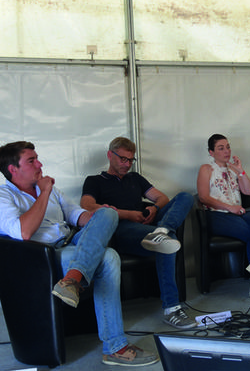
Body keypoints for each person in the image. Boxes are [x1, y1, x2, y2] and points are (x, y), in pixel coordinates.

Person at [0, 141, 158, 367]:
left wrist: (100, 217)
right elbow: (23, 232)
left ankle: (71, 280)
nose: (40, 164)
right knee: (110, 258)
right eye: (31, 160)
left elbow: (76, 215)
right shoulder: (0, 197)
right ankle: (115, 347)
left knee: (107, 214)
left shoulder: (51, 190)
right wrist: (44, 192)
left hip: (71, 242)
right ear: (12, 169)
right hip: (41, 257)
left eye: (37, 158)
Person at [80, 136, 196, 329]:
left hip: (149, 225)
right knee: (168, 241)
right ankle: (172, 309)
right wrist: (127, 215)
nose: (127, 164)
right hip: (124, 230)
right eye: (122, 159)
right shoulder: (95, 181)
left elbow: (161, 197)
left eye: (130, 160)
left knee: (185, 197)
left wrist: (155, 209)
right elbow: (87, 207)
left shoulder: (135, 178)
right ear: (110, 155)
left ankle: (163, 229)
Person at [196, 134, 250, 299]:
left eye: (228, 147)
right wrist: (229, 208)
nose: (226, 151)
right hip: (215, 215)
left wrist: (240, 171)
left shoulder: (233, 169)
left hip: (237, 213)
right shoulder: (206, 169)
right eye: (221, 148)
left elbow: (249, 192)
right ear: (211, 152)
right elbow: (203, 197)